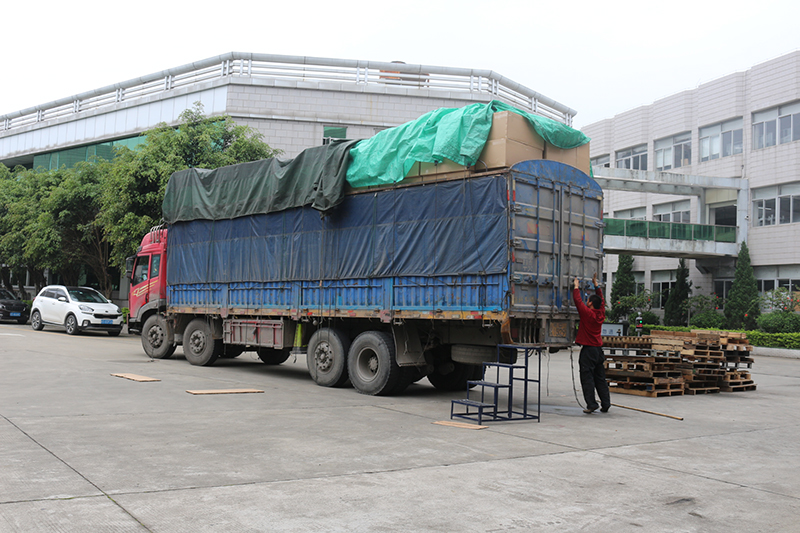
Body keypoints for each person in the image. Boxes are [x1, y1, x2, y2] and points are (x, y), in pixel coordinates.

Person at [573, 273, 610, 414]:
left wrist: (576, 287)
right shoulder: (600, 313)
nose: (586, 301)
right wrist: (596, 285)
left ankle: (591, 404)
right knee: (600, 378)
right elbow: (601, 301)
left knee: (587, 377)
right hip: (598, 351)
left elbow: (577, 301)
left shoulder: (588, 314)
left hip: (588, 351)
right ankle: (605, 403)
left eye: (588, 300)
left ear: (590, 304)